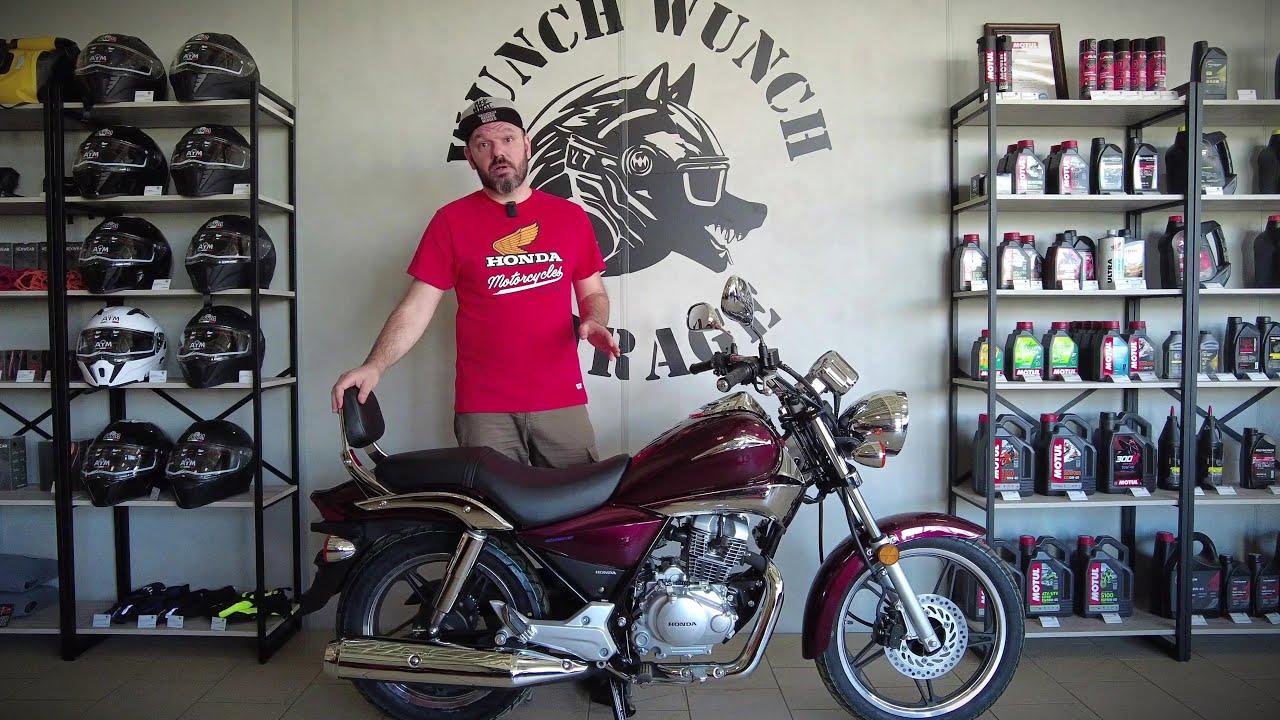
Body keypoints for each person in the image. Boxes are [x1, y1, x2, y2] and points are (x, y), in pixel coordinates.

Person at [331, 96, 620, 467]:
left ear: (527, 144)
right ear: (470, 157)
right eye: (484, 144)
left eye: (508, 139)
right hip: (485, 411)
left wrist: (595, 321)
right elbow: (416, 308)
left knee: (578, 501)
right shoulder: (451, 222)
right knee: (489, 504)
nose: (498, 152)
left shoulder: (570, 217)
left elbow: (593, 292)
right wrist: (375, 365)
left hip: (561, 400)